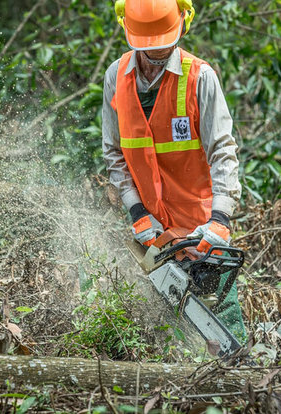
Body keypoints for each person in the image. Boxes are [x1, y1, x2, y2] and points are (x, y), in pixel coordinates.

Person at [102, 0, 245, 340]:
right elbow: (115, 154)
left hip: (201, 227)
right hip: (154, 233)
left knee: (224, 330)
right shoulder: (116, 78)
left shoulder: (200, 78)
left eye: (164, 43)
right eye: (149, 48)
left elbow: (223, 152)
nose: (158, 53)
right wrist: (137, 211)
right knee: (164, 334)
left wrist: (220, 220)